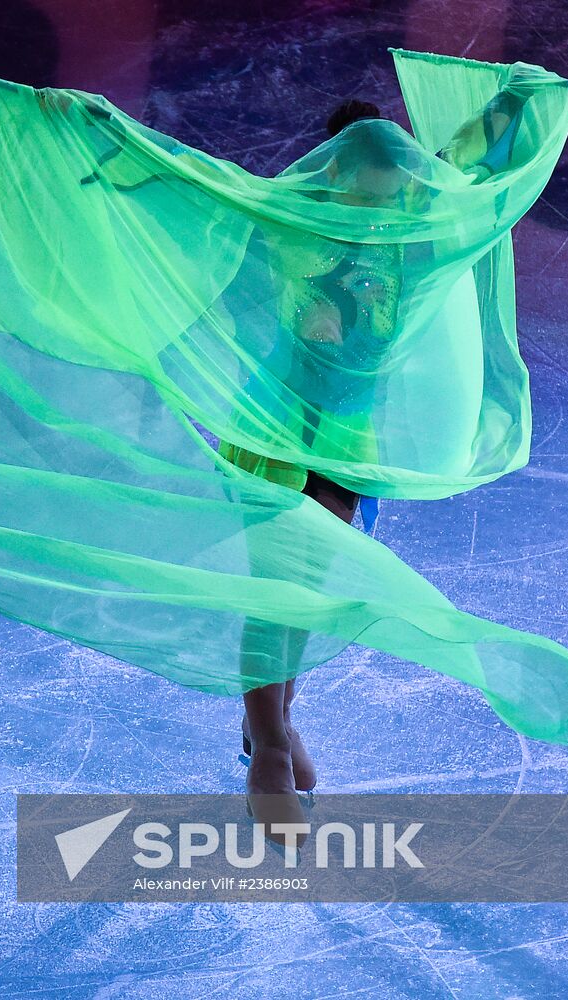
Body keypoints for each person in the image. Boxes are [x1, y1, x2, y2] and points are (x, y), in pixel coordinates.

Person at [228, 79, 543, 837]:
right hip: (274, 432)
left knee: (305, 588)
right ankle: (269, 744)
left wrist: (521, 100)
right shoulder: (282, 220)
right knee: (278, 587)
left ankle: (276, 723)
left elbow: (465, 157)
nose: (383, 206)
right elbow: (186, 190)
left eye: (395, 189)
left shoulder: (413, 215)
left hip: (347, 443)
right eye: (371, 190)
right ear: (333, 175)